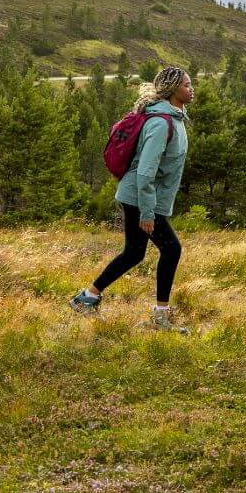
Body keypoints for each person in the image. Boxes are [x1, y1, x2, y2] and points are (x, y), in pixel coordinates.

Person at [71, 65, 191, 329]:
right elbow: (146, 173)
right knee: (172, 249)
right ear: (173, 90)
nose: (191, 89)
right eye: (186, 85)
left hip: (142, 196)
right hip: (140, 196)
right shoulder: (161, 123)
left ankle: (87, 298)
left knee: (134, 253)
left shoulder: (176, 118)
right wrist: (148, 213)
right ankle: (160, 317)